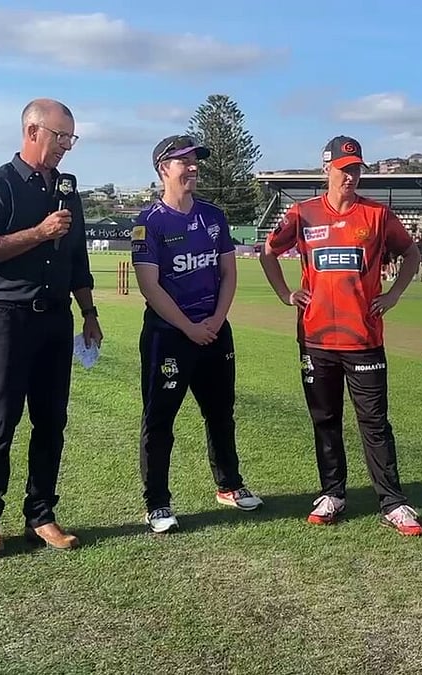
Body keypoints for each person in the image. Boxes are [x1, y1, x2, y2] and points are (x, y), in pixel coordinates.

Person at [259, 135, 422, 536]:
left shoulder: (378, 216)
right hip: (315, 338)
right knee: (325, 420)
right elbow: (268, 251)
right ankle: (332, 493)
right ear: (326, 169)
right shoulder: (302, 213)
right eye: (343, 168)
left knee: (374, 422)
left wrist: (395, 293)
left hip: (364, 337)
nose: (350, 176)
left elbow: (411, 254)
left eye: (355, 169)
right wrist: (285, 293)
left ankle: (394, 502)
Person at [0, 98, 103, 556]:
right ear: (32, 130)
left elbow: (77, 256)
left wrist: (89, 313)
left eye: (70, 139)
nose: (65, 147)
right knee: (2, 419)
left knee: (51, 421)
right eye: (60, 137)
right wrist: (39, 234)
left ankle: (41, 515)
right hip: (7, 317)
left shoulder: (66, 191)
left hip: (56, 319)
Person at [130, 134, 263, 534]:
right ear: (162, 169)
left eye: (194, 161)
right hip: (168, 335)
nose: (192, 167)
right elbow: (150, 286)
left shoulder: (213, 216)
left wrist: (217, 321)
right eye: (182, 161)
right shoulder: (148, 223)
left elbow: (228, 271)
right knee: (159, 420)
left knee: (221, 412)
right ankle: (157, 503)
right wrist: (188, 327)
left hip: (214, 330)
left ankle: (229, 485)